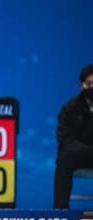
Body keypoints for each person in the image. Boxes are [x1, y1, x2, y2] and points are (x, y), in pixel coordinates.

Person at [54, 64, 93, 209]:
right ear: (82, 85)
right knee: (63, 159)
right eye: (89, 84)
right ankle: (60, 213)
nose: (92, 87)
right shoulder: (69, 108)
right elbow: (64, 140)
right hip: (78, 156)